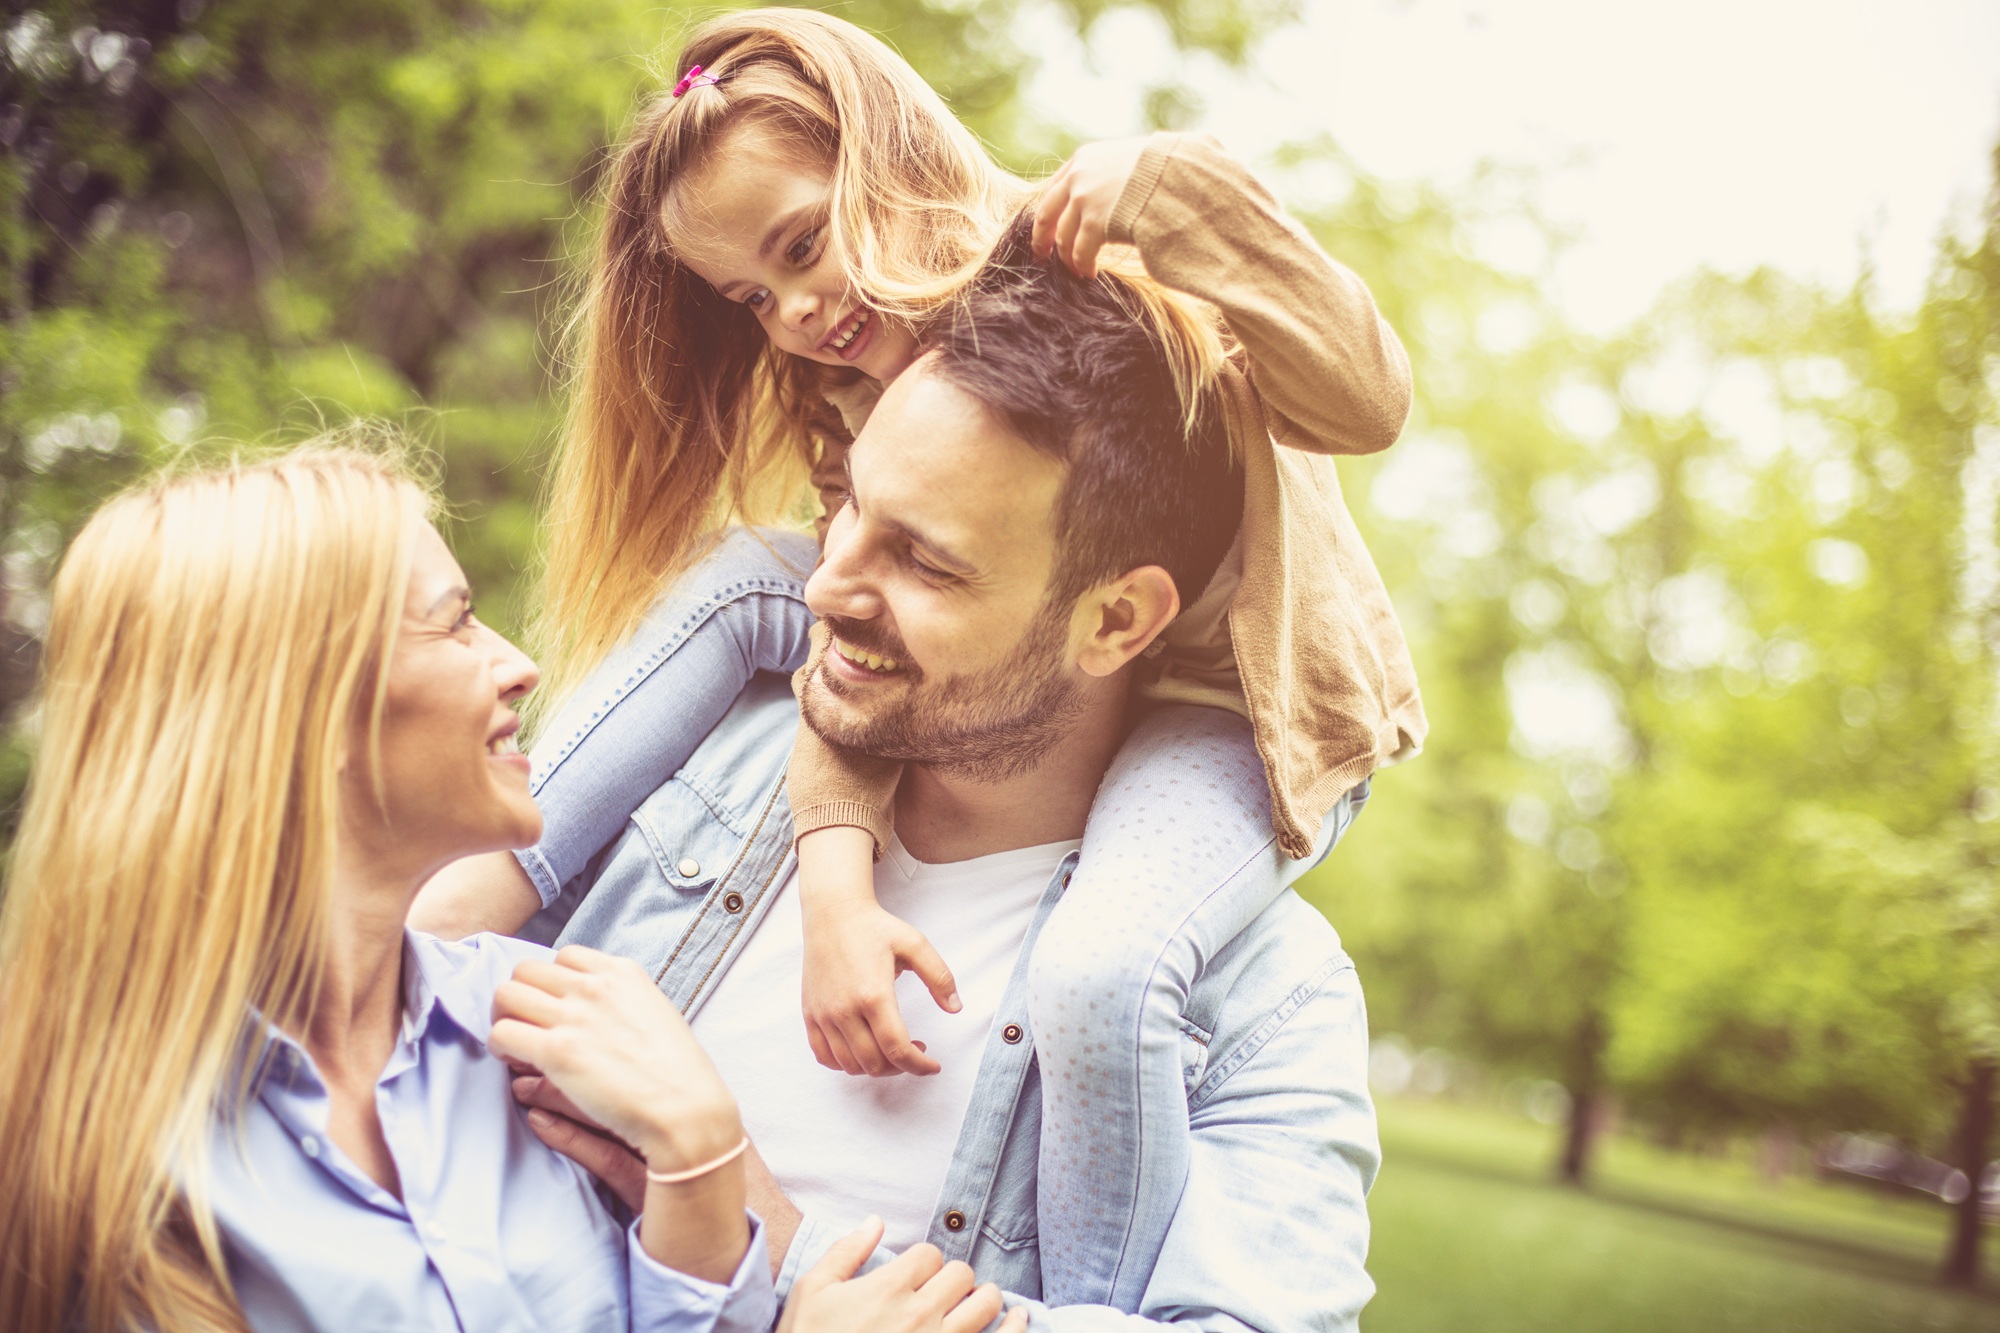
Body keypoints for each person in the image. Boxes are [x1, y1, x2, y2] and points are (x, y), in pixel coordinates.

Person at [412, 9, 1421, 1305]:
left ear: (883, 160)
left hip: (1240, 715)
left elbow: (1366, 400)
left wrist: (1175, 192)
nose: (792, 314)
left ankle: (1098, 1291)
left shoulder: (1099, 278)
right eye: (750, 297)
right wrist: (836, 886)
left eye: (799, 248)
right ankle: (455, 902)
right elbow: (839, 641)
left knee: (1104, 973)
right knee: (739, 584)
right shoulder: (857, 389)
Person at [0, 444, 1016, 1333]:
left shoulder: (553, 1026)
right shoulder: (78, 1148)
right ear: (303, 708)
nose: (519, 665)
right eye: (454, 627)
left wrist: (703, 1174)